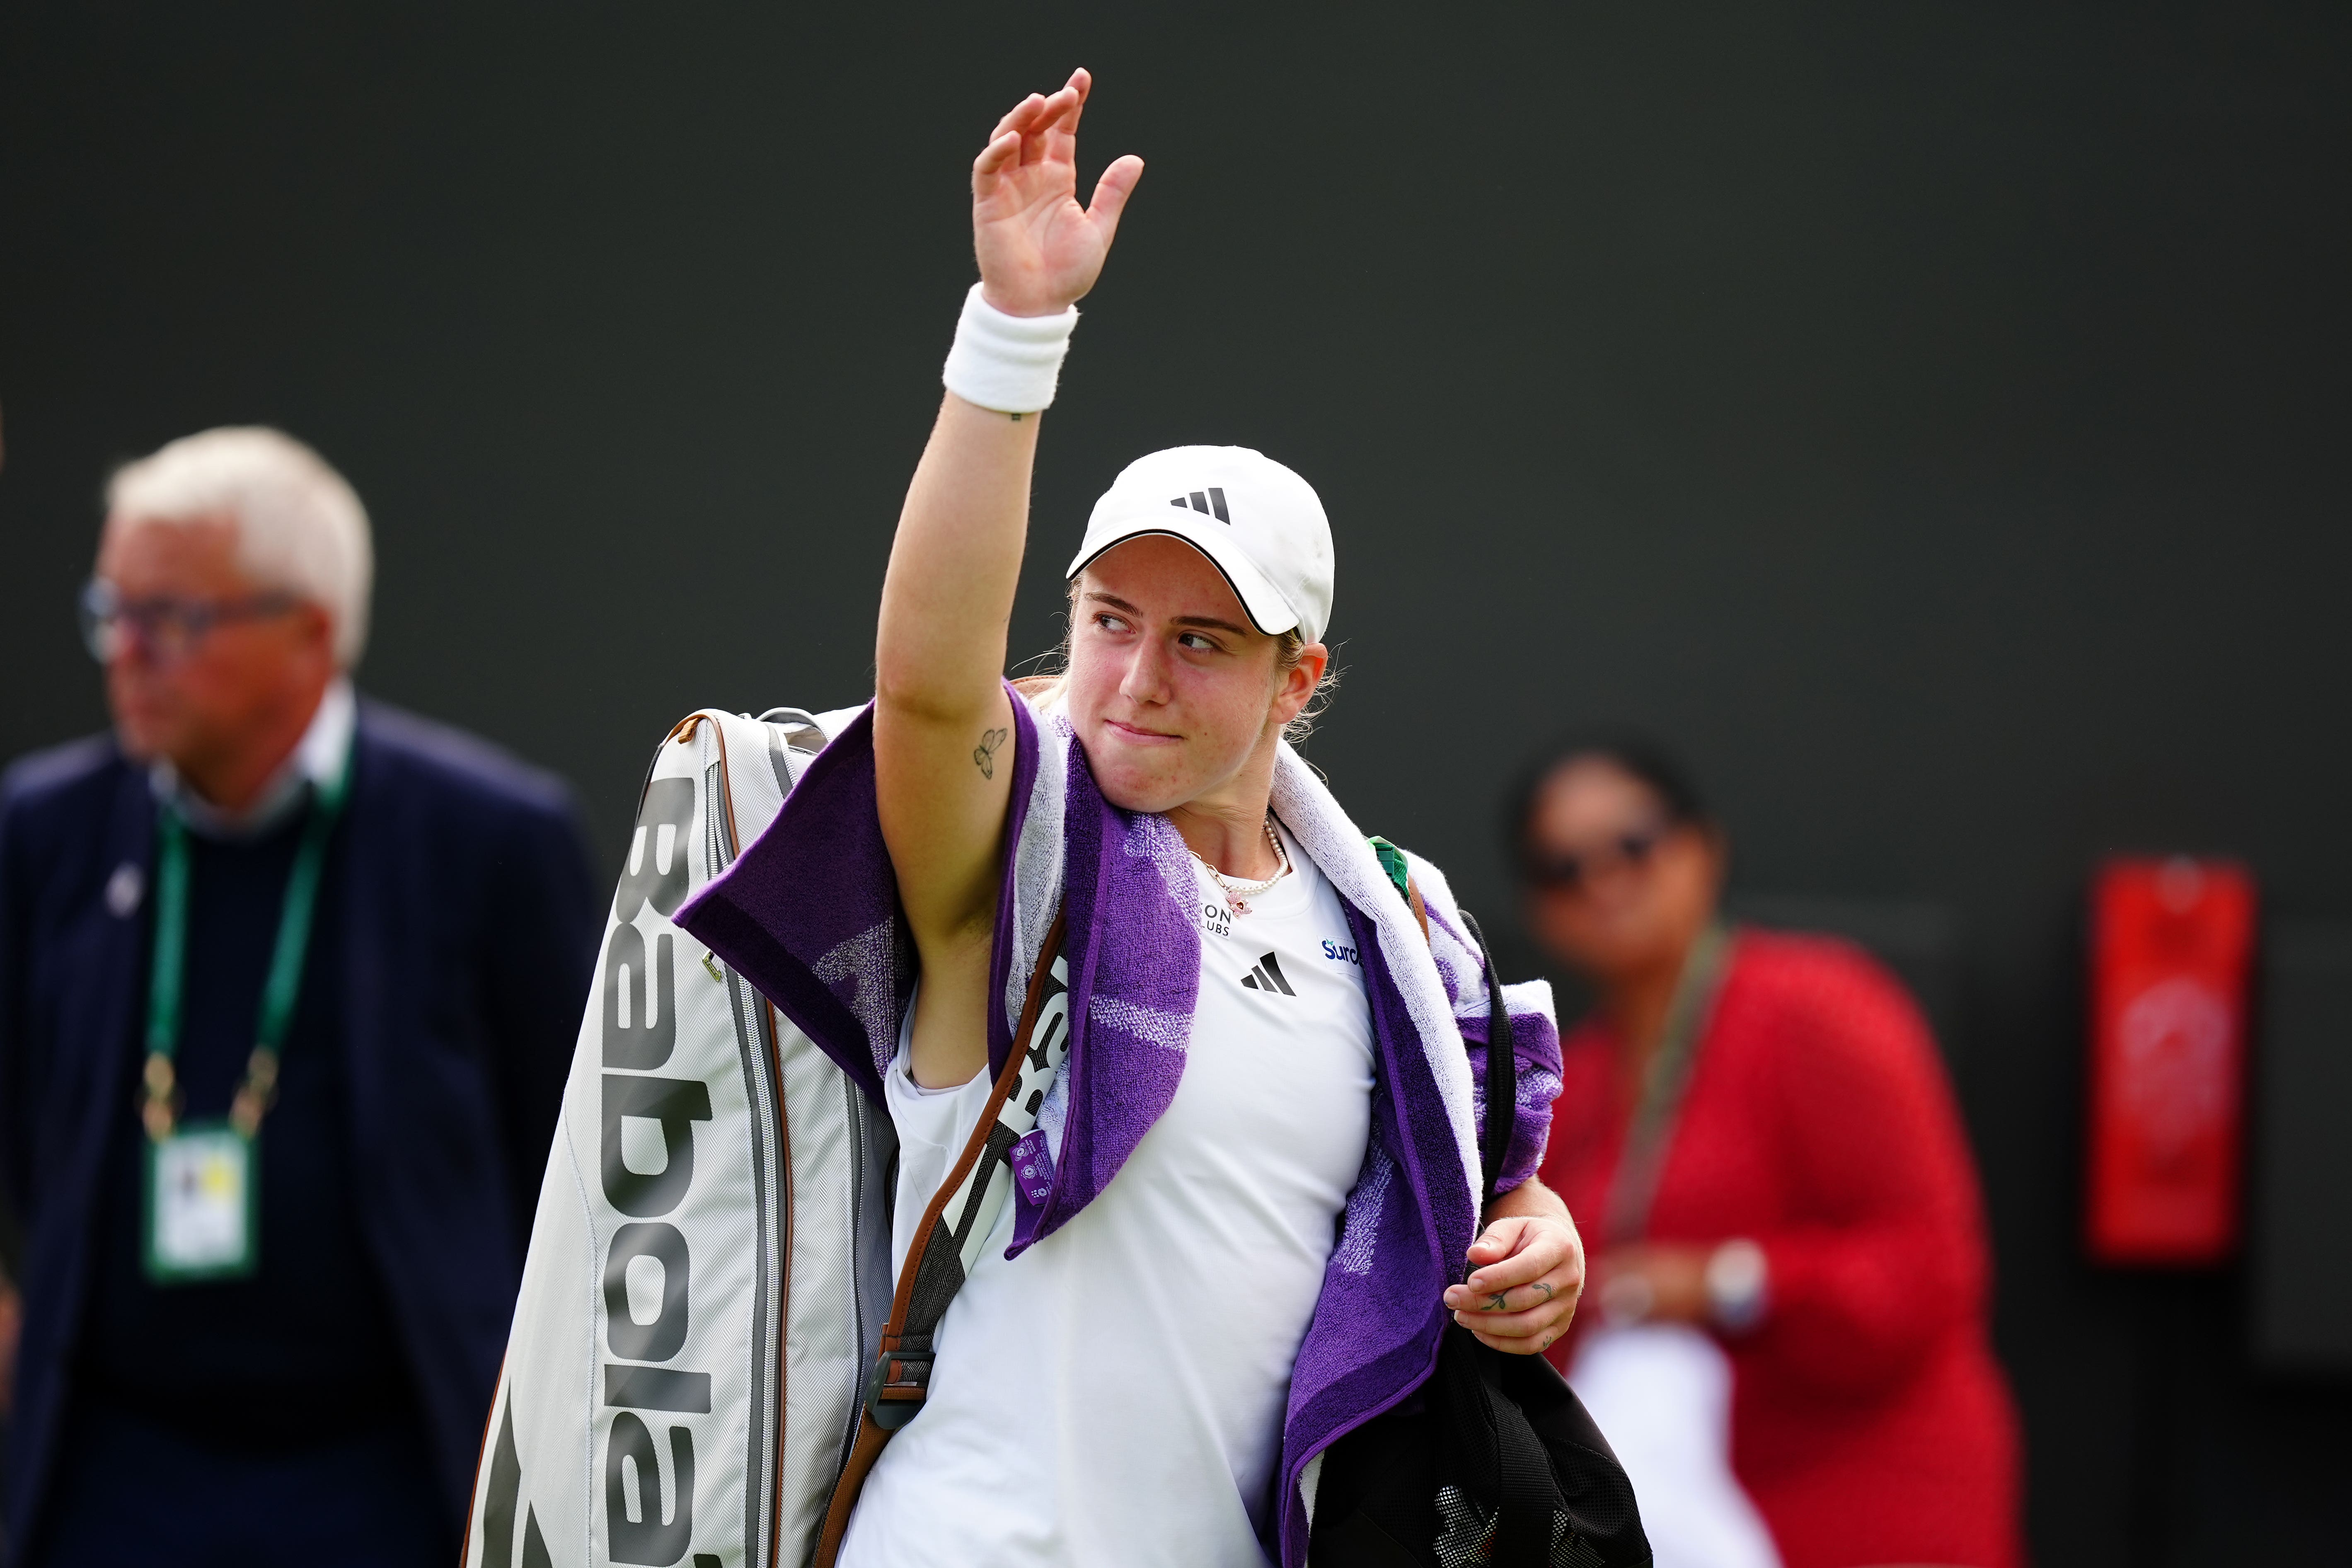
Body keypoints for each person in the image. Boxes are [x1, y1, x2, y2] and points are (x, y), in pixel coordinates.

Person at [678, 71, 1584, 1567]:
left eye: (1201, 641)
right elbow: (923, 690)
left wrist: (1532, 1243)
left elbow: (1463, 1191)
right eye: (1108, 618)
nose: (1134, 679)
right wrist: (1013, 331)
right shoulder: (1018, 861)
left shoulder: (1401, 931)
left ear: (1300, 676)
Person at [0, 428, 602, 1565]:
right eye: (109, 611)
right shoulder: (46, 831)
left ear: (311, 632)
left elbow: (570, 1168)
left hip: (391, 1465)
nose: (125, 652)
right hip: (113, 1466)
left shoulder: (487, 839)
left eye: (170, 617)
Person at [1514, 733, 2024, 1568]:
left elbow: (1931, 1269)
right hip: (1681, 1514)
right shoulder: (1576, 1075)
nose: (1603, 881)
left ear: (1701, 845)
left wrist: (1721, 1282)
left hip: (1868, 1504)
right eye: (1562, 868)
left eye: (1632, 846)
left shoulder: (1821, 1008)